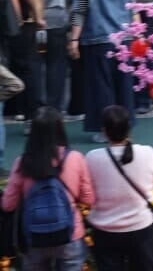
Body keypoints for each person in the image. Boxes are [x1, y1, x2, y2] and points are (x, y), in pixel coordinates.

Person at [1, 106, 94, 271]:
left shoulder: (22, 162)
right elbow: (88, 199)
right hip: (70, 234)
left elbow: (8, 204)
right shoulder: (75, 158)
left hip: (34, 236)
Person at [68, 0, 135, 140]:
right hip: (124, 40)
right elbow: (133, 9)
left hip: (97, 42)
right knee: (124, 86)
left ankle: (105, 129)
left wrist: (73, 40)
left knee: (101, 88)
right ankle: (125, 127)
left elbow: (79, 13)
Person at [85, 105, 153, 271]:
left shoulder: (92, 158)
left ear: (104, 131)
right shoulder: (148, 153)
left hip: (105, 231)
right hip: (141, 228)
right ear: (129, 129)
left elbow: (88, 194)